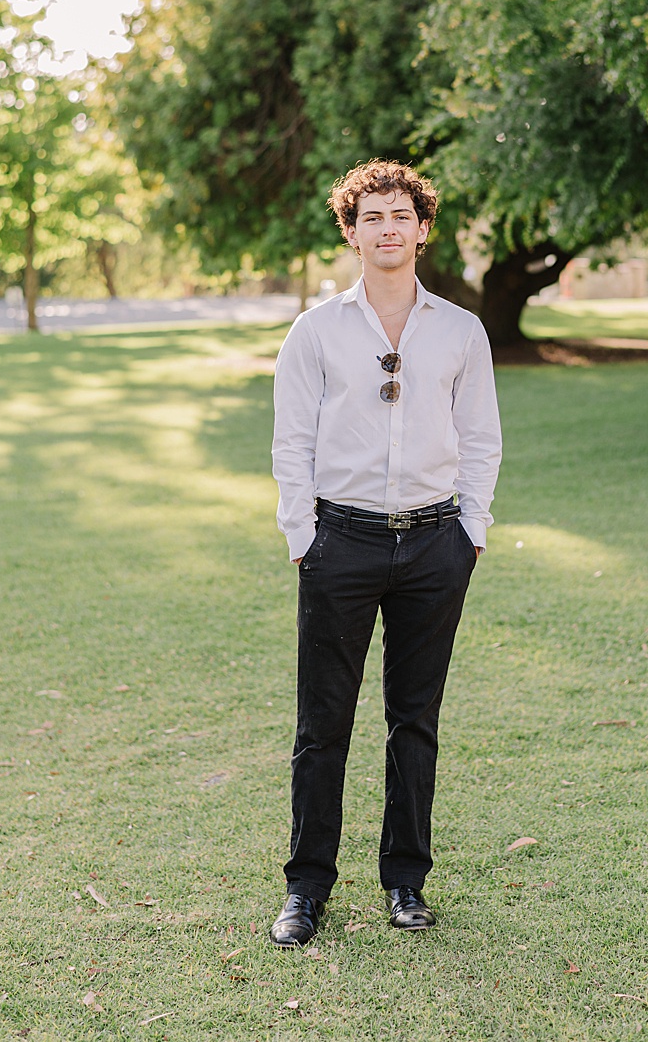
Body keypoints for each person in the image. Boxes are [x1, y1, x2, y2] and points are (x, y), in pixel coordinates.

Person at [265, 160, 502, 948]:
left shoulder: (461, 331)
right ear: (351, 230)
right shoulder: (317, 330)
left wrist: (470, 532)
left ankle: (405, 883)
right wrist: (305, 538)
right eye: (372, 216)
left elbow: (481, 438)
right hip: (342, 543)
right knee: (322, 724)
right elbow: (291, 441)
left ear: (423, 227)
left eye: (401, 214)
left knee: (415, 722)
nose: (388, 227)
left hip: (436, 544)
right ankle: (307, 890)